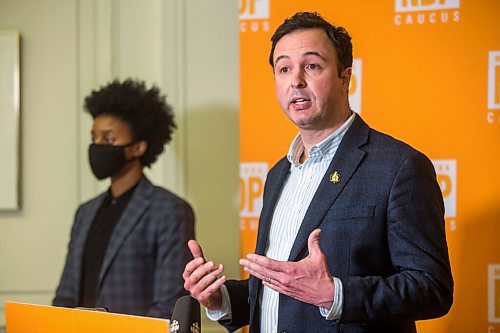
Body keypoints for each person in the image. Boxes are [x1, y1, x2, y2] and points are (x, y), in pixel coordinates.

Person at [183, 12, 453, 333]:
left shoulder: (399, 167)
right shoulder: (276, 175)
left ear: (345, 77)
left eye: (311, 66)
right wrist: (220, 299)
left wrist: (336, 295)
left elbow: (432, 287)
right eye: (284, 68)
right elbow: (280, 288)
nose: (296, 80)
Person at [53, 79, 195, 319]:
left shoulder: (169, 210)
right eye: (94, 137)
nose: (97, 146)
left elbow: (169, 304)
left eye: (108, 139)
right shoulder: (85, 212)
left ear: (138, 147)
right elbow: (65, 296)